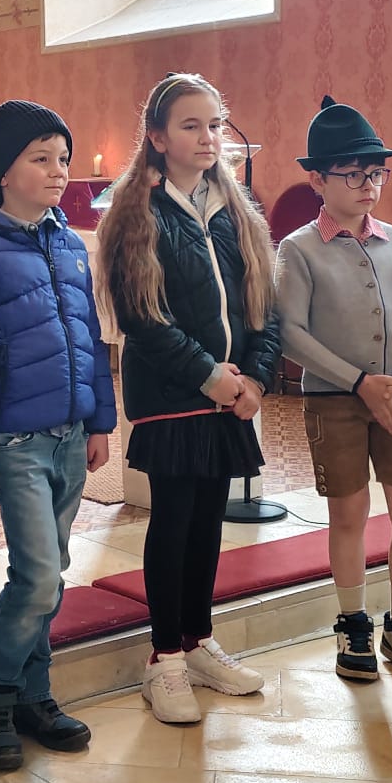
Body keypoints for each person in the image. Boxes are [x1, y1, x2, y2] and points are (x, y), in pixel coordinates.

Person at [95, 72, 281, 727]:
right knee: (173, 524)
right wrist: (211, 376)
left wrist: (256, 378)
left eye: (215, 125)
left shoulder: (236, 210)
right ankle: (164, 659)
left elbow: (265, 305)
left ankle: (199, 643)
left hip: (231, 396)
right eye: (191, 125)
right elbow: (143, 319)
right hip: (175, 396)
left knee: (209, 524)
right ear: (157, 136)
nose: (208, 138)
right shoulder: (138, 214)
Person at [0, 100, 117, 771]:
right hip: (14, 441)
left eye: (63, 159)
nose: (58, 172)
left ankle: (33, 693)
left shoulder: (70, 243)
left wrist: (100, 420)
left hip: (71, 434)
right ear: (3, 171)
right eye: (41, 159)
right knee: (41, 575)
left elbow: (90, 338)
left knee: (51, 571)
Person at [276, 97, 392, 685]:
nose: (368, 184)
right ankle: (353, 623)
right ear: (318, 180)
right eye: (352, 174)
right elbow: (291, 333)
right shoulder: (299, 249)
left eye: (376, 172)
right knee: (349, 513)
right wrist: (358, 382)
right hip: (336, 402)